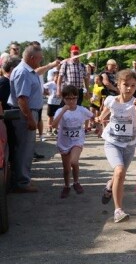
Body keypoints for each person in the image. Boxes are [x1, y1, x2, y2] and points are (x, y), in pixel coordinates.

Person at [98, 69, 136, 223]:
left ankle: (109, 187)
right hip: (112, 142)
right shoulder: (111, 100)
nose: (129, 88)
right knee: (119, 171)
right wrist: (99, 119)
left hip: (129, 145)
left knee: (119, 175)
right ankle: (118, 210)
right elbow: (104, 113)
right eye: (125, 84)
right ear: (118, 85)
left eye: (133, 85)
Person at [7, 45, 44, 192]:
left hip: (27, 113)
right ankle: (22, 182)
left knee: (26, 149)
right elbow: (22, 98)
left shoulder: (28, 71)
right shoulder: (23, 72)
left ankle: (23, 179)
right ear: (32, 58)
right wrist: (29, 118)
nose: (41, 60)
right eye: (40, 58)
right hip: (25, 114)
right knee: (24, 149)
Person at [52, 85, 94, 198]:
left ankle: (76, 182)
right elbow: (53, 125)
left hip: (77, 140)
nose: (71, 101)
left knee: (74, 162)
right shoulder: (60, 110)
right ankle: (67, 186)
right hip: (64, 141)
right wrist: (63, 111)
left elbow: (93, 116)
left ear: (77, 98)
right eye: (68, 98)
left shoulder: (81, 110)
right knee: (66, 169)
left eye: (74, 98)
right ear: (63, 99)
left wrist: (98, 126)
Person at [43, 70, 63, 136]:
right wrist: (46, 93)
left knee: (57, 116)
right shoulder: (51, 83)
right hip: (51, 102)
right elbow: (43, 87)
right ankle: (49, 129)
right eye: (56, 77)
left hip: (59, 103)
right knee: (50, 116)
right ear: (54, 77)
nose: (57, 79)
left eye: (58, 77)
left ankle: (55, 129)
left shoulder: (61, 84)